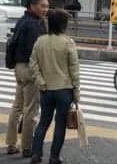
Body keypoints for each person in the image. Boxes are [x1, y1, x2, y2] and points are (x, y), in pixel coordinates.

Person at [29, 9, 80, 164]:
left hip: (46, 89)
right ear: (63, 25)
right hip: (64, 89)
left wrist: (40, 81)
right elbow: (74, 70)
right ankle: (54, 157)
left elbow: (33, 64)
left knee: (43, 122)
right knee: (60, 124)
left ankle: (36, 154)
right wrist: (76, 93)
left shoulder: (40, 41)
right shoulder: (68, 43)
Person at [6, 0, 50, 157]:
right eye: (42, 6)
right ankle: (27, 147)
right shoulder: (34, 25)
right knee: (31, 109)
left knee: (17, 106)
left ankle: (11, 143)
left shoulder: (22, 21)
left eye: (47, 6)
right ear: (32, 5)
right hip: (30, 69)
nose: (45, 9)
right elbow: (34, 53)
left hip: (19, 67)